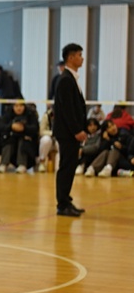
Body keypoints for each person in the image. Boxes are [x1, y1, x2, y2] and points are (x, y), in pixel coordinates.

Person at [53, 43, 87, 217]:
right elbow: (67, 109)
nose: (82, 58)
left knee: (70, 165)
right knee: (66, 166)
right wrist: (76, 130)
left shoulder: (70, 78)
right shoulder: (65, 79)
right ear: (71, 57)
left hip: (70, 132)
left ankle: (66, 199)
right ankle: (62, 204)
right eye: (79, 55)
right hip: (67, 133)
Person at [0, 100, 39, 174]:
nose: (19, 108)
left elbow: (35, 128)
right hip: (11, 138)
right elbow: (0, 127)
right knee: (8, 141)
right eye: (16, 106)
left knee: (23, 141)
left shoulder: (30, 114)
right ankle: (4, 164)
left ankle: (22, 164)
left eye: (21, 106)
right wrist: (11, 126)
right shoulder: (8, 114)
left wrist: (24, 128)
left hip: (26, 140)